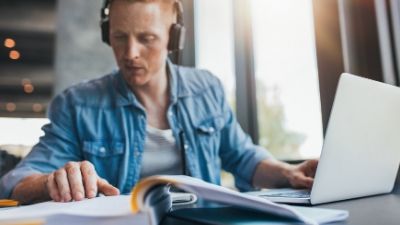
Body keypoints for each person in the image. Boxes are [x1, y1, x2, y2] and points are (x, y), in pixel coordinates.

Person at [0, 0, 318, 204]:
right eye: (120, 36)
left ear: (173, 38)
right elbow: (15, 182)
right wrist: (50, 182)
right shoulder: (77, 104)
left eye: (147, 38)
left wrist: (287, 172)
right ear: (106, 33)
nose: (130, 53)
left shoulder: (207, 89)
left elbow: (243, 157)